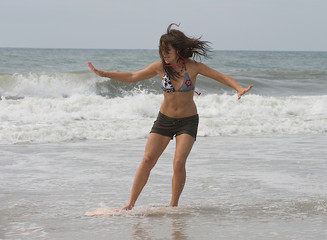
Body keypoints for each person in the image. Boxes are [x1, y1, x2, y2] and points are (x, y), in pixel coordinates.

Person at [88, 23, 253, 210]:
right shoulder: (159, 67)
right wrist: (104, 74)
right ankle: (130, 204)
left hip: (187, 122)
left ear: (178, 49)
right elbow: (133, 76)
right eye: (162, 50)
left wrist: (238, 88)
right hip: (164, 120)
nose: (164, 53)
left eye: (168, 50)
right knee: (148, 160)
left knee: (178, 162)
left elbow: (220, 76)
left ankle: (173, 206)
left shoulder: (193, 67)